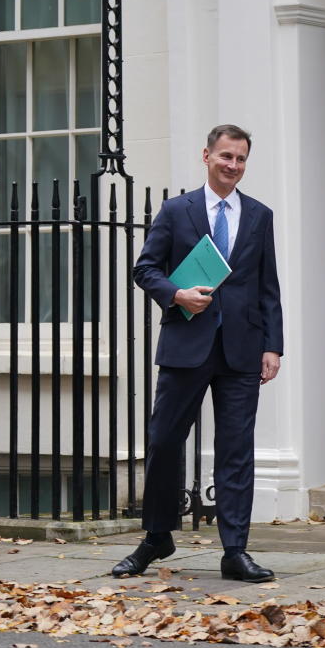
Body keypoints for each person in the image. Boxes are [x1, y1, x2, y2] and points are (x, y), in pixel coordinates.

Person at [111, 124, 283, 583]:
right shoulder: (176, 210)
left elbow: (268, 288)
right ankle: (156, 537)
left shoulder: (260, 215)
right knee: (164, 442)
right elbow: (144, 268)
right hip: (187, 345)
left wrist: (273, 346)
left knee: (236, 451)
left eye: (241, 159)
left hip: (242, 350)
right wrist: (177, 294)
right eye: (226, 156)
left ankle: (235, 551)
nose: (233, 166)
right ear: (205, 156)